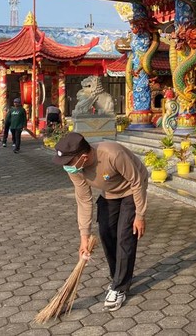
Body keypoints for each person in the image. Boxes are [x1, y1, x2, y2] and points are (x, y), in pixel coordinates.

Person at [53, 132, 148, 311]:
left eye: (69, 162)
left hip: (132, 189)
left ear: (84, 156)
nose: (66, 167)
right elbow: (84, 201)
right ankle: (118, 277)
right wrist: (84, 238)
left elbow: (137, 182)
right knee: (106, 232)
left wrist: (140, 215)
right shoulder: (75, 169)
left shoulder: (113, 154)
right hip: (110, 193)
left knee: (125, 236)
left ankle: (120, 287)